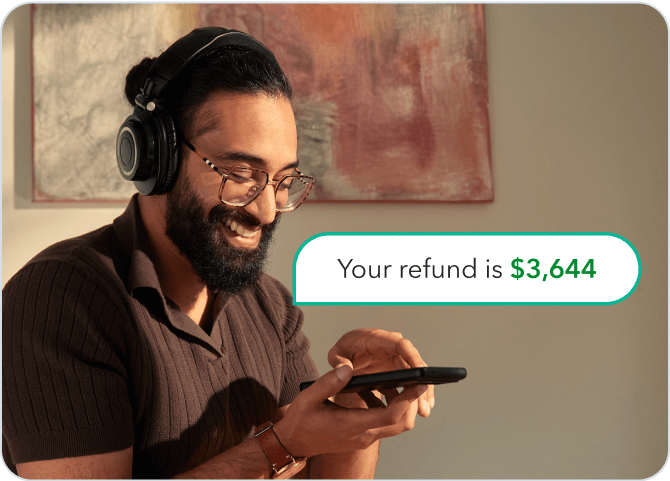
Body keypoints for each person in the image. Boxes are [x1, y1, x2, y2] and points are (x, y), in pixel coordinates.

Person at [2, 27, 435, 479]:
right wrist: (280, 445)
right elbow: (288, 447)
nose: (267, 211)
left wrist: (352, 404)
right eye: (241, 173)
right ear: (157, 160)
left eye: (284, 181)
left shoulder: (271, 306)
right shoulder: (58, 300)